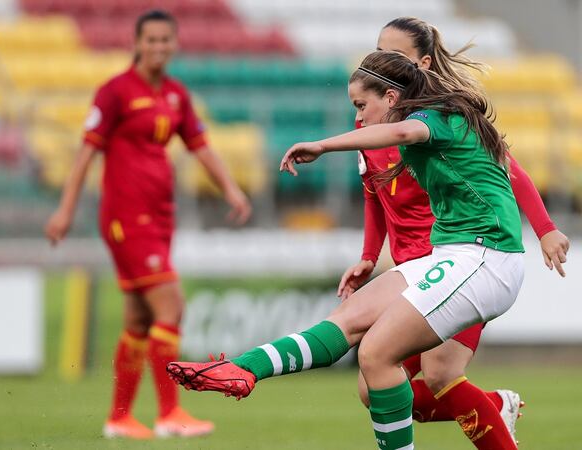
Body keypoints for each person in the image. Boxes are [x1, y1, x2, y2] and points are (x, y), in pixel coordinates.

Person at [168, 50, 538, 450]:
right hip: (451, 255)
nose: (358, 117)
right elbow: (380, 188)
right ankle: (243, 368)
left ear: (392, 98)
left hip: (487, 258)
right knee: (348, 320)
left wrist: (323, 146)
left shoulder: (435, 119)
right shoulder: (424, 124)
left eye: (362, 106)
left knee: (379, 355)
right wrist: (369, 253)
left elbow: (402, 134)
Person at [340, 16, 570, 447]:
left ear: (423, 63)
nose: (383, 61)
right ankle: (494, 405)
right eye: (379, 51)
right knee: (373, 391)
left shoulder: (443, 116)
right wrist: (370, 256)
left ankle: (493, 415)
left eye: (396, 54)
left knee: (441, 374)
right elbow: (374, 193)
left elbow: (506, 169)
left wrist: (545, 228)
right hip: (409, 270)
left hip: (457, 264)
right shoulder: (371, 123)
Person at [45, 10, 251, 440]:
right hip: (126, 217)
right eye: (151, 40)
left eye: (165, 40)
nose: (158, 47)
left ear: (174, 44)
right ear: (136, 43)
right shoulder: (114, 92)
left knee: (139, 319)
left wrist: (231, 189)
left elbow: (200, 146)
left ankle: (119, 418)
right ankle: (169, 412)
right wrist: (65, 209)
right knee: (170, 306)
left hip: (160, 218)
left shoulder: (175, 94)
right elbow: (85, 153)